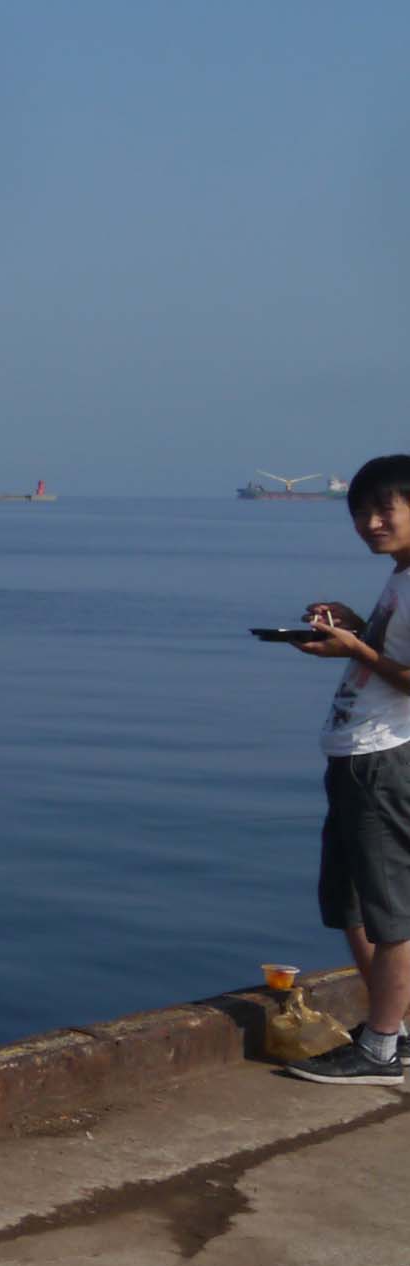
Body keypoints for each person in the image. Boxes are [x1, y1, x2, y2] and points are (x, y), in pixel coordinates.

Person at [284, 453, 410, 1086]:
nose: (371, 522)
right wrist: (355, 631)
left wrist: (355, 647)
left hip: (384, 758)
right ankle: (396, 1030)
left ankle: (382, 1048)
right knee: (348, 904)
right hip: (355, 754)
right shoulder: (401, 576)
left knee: (390, 911)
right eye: (360, 512)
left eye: (385, 509)